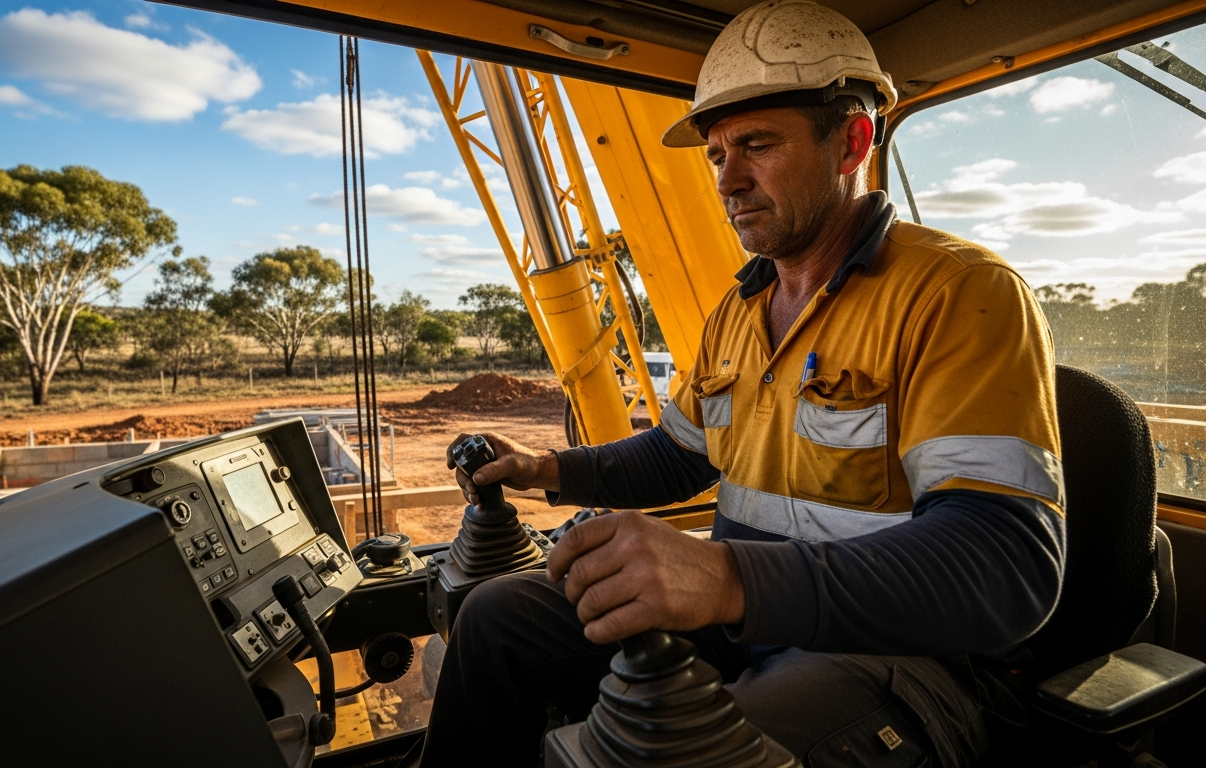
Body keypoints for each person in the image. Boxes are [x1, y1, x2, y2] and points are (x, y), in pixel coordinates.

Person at [419, 2, 1065, 766]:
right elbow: (677, 456)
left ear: (851, 141)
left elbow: (1005, 561)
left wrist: (726, 576)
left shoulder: (955, 293)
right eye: (717, 155)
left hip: (901, 653)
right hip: (744, 623)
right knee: (496, 615)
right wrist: (542, 469)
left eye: (757, 145)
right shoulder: (739, 309)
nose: (729, 179)